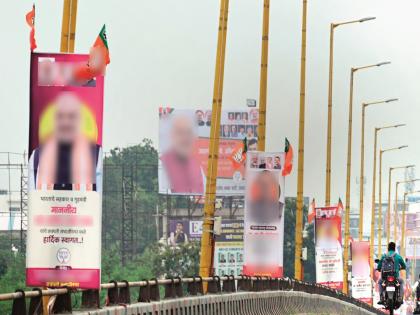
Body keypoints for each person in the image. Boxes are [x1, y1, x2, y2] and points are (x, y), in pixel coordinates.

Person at [29, 92, 102, 192]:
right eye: (60, 116)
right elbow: (33, 200)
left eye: (71, 116)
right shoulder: (36, 157)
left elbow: (99, 199)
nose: (65, 122)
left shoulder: (96, 155)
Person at [160, 114, 205, 194]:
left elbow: (202, 190)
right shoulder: (163, 163)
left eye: (188, 132)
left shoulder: (197, 165)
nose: (185, 138)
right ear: (172, 136)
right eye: (180, 132)